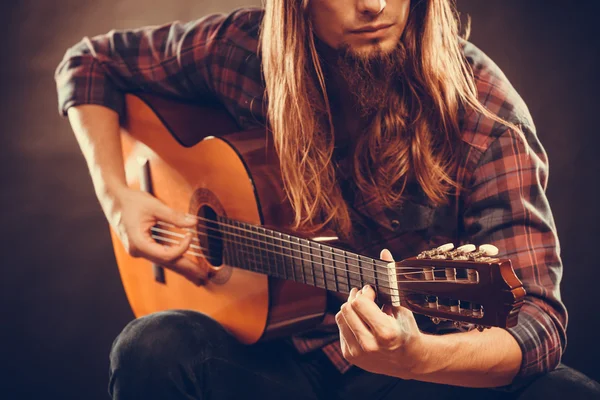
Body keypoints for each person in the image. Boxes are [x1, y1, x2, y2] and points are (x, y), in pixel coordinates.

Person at [54, 0, 600, 399]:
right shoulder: (245, 49)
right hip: (268, 355)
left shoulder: (481, 111)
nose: (376, 5)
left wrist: (418, 357)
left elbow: (539, 322)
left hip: (416, 366)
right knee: (149, 348)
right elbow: (90, 64)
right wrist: (117, 195)